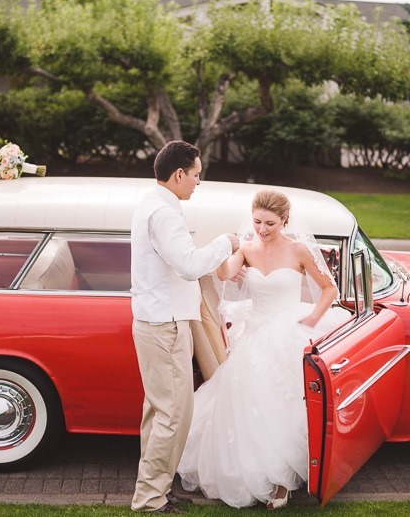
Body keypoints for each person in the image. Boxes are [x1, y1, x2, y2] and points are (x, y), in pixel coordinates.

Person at [177, 189, 346, 509]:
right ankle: (254, 473)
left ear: (284, 220)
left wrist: (311, 318)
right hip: (254, 329)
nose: (262, 229)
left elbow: (329, 288)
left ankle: (283, 482)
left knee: (284, 403)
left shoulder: (298, 250)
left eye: (270, 223)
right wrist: (227, 251)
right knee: (244, 396)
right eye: (257, 222)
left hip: (290, 327)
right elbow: (225, 272)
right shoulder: (248, 248)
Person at [130, 140, 240, 514]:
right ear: (178, 174)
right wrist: (226, 243)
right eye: (196, 175)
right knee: (175, 414)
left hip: (154, 320)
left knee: (158, 412)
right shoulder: (164, 214)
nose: (198, 182)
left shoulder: (153, 203)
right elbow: (189, 265)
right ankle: (149, 498)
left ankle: (156, 488)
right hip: (166, 325)